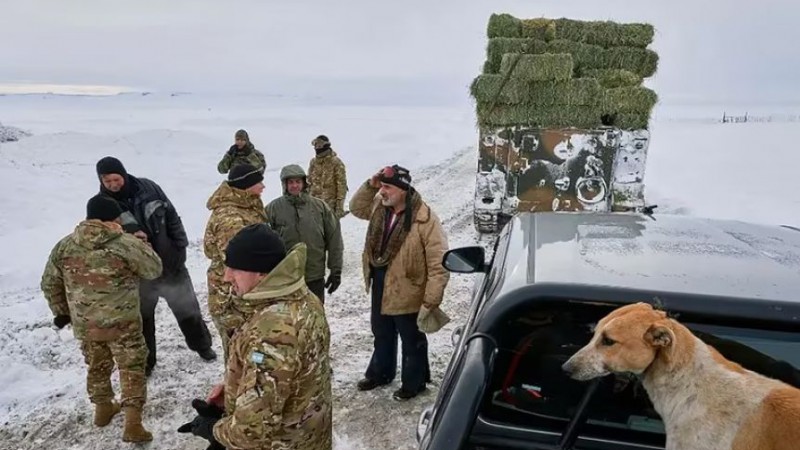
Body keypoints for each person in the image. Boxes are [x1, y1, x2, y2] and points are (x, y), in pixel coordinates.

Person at [177, 224, 332, 450]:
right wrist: (235, 386)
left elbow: (252, 430)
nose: (227, 276)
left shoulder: (272, 331)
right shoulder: (303, 298)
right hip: (308, 433)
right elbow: (288, 375)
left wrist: (214, 430)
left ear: (261, 273)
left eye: (235, 268)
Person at [40, 194, 163, 442]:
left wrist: (62, 312)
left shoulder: (65, 245)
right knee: (131, 369)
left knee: (97, 366)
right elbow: (154, 269)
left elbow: (49, 283)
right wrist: (143, 246)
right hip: (123, 324)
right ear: (114, 218)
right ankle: (133, 424)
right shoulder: (124, 243)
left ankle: (103, 408)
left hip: (86, 325)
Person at [95, 156, 216, 376]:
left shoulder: (148, 188)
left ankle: (202, 345)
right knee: (143, 320)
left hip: (170, 263)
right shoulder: (103, 205)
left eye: (115, 179)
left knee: (187, 307)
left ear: (123, 173)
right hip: (139, 274)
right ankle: (147, 362)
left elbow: (171, 216)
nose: (113, 185)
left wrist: (180, 246)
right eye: (107, 182)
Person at [349, 164, 450, 400]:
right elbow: (355, 208)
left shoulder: (424, 218)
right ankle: (380, 373)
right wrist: (370, 185)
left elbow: (439, 263)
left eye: (387, 187)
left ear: (403, 190)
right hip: (381, 278)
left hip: (409, 288)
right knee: (381, 331)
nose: (382, 192)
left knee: (411, 337)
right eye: (381, 186)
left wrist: (431, 299)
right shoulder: (378, 206)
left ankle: (415, 382)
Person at [203, 163, 267, 357]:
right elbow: (239, 263)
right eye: (258, 182)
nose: (263, 186)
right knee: (239, 353)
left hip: (242, 293)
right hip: (233, 299)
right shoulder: (231, 218)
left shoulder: (245, 206)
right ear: (246, 185)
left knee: (248, 351)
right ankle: (237, 387)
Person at [264, 164, 343, 304]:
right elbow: (263, 242)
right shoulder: (273, 209)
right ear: (284, 184)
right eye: (291, 182)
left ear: (304, 183)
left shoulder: (320, 207)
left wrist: (335, 270)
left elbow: (334, 239)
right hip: (286, 277)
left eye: (298, 181)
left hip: (314, 276)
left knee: (315, 318)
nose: (295, 186)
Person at [307, 135, 348, 218]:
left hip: (329, 207)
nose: (316, 148)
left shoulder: (336, 163)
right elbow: (308, 182)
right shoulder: (313, 162)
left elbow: (341, 187)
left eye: (319, 146)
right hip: (313, 206)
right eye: (315, 146)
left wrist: (339, 208)